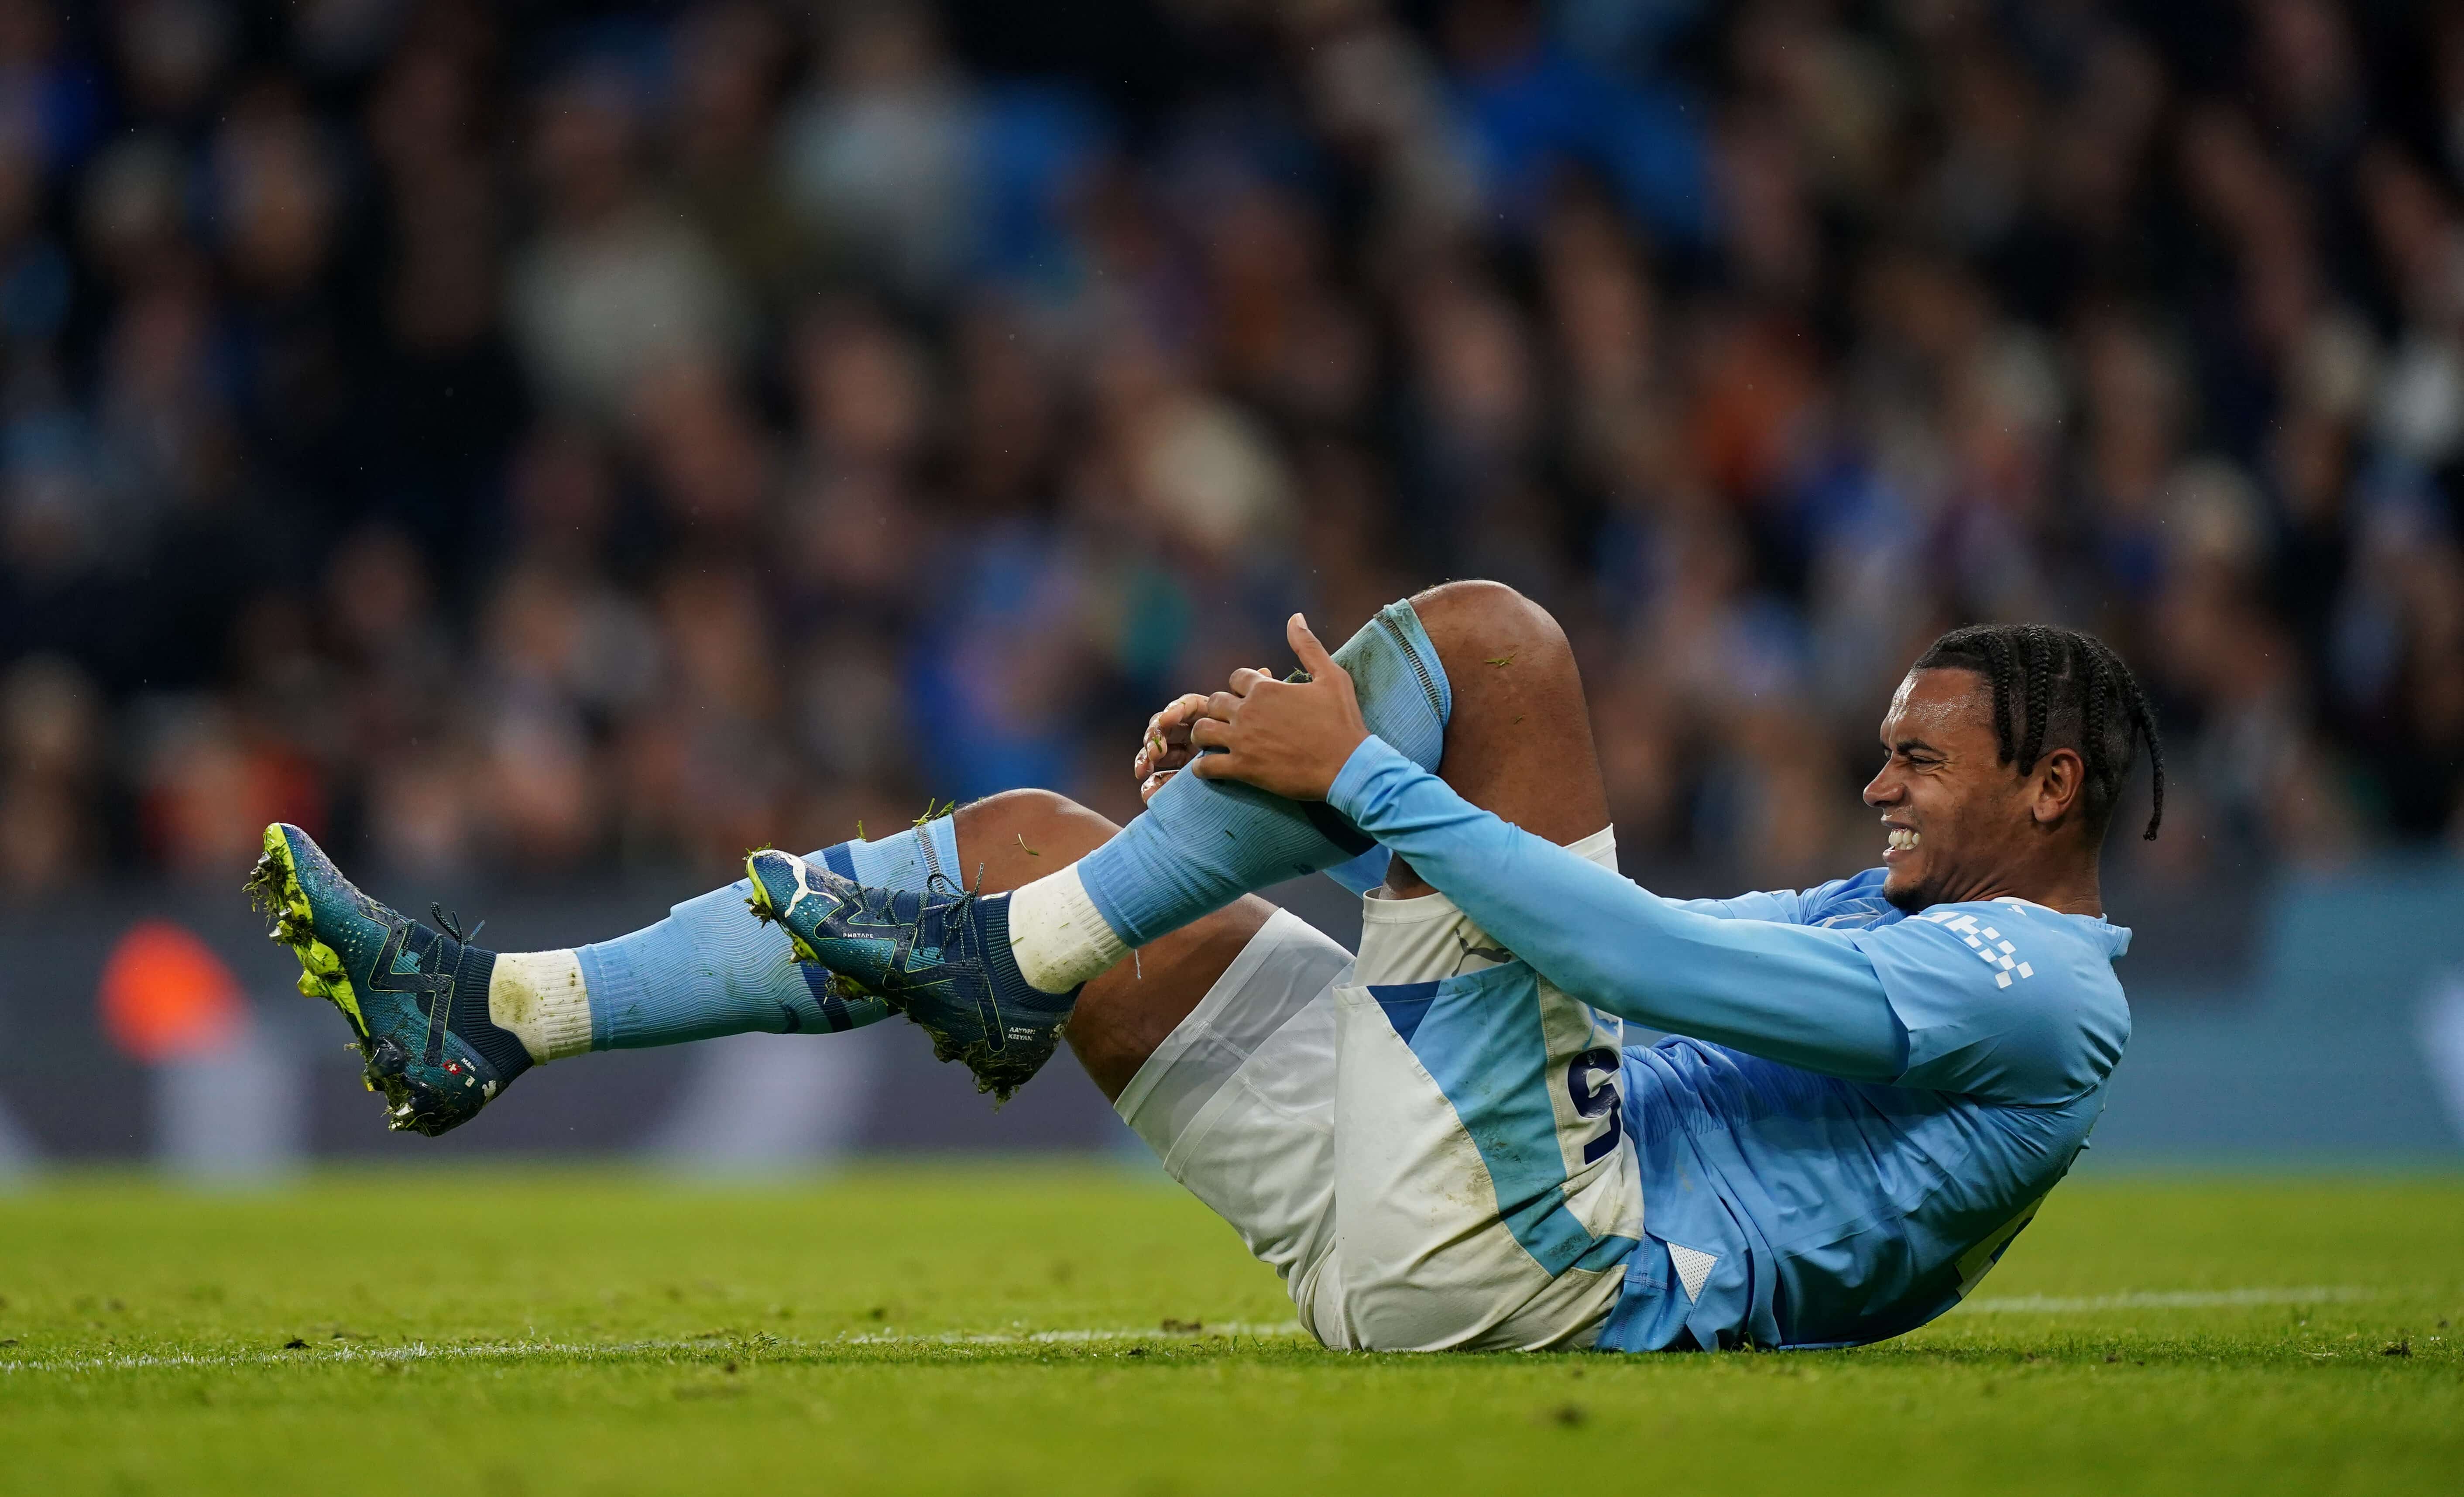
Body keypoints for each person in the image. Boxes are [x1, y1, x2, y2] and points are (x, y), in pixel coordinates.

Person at [248, 582, 2162, 1352]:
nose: (1873, 782)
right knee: (1022, 833)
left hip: (1552, 1275)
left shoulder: (2036, 988)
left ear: (2051, 785)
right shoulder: (1894, 923)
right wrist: (1287, 805)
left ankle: (1016, 958)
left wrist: (1363, 779)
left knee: (1498, 649)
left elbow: (1623, 958)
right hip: (1445, 1217)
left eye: (1918, 759)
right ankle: (493, 1014)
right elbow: (1529, 926)